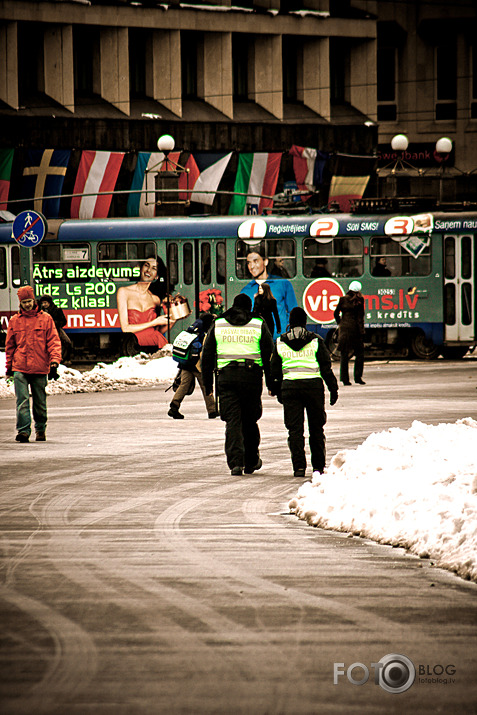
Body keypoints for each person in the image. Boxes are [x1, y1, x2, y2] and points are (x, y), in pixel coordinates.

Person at [202, 293, 274, 476]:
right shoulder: (258, 323)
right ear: (249, 307)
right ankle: (251, 461)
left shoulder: (219, 323)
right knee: (250, 420)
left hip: (226, 379)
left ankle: (236, 463)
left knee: (233, 421)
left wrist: (207, 384)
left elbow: (207, 355)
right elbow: (269, 355)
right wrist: (272, 382)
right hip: (252, 378)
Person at [270, 307, 338, 478]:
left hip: (290, 389)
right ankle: (318, 468)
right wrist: (333, 388)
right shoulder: (316, 341)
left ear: (290, 323)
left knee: (294, 431)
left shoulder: (280, 342)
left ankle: (299, 468)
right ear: (305, 322)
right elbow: (325, 368)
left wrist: (277, 390)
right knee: (316, 429)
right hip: (313, 388)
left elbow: (275, 371)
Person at [5, 285, 62, 443]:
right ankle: (23, 431)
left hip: (39, 367)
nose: (27, 304)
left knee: (39, 402)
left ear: (34, 300)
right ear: (20, 303)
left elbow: (53, 342)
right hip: (20, 367)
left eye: (29, 301)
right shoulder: (15, 321)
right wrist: (9, 368)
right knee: (22, 401)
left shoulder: (46, 319)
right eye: (24, 302)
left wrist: (55, 362)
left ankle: (40, 428)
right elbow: (10, 347)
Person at [168, 312, 218, 420]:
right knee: (206, 386)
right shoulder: (203, 333)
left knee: (184, 385)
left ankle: (174, 406)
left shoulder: (191, 329)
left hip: (185, 363)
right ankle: (212, 411)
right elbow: (203, 351)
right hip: (196, 364)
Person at [116, 257, 174, 350]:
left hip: (156, 343)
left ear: (156, 276)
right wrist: (153, 322)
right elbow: (125, 328)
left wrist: (173, 320)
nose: (149, 270)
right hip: (133, 345)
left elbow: (158, 331)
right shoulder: (123, 292)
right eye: (147, 265)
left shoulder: (155, 299)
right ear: (141, 268)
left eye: (154, 268)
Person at [240, 247, 297, 340]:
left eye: (255, 261)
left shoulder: (283, 284)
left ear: (265, 261)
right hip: (256, 341)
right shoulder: (245, 291)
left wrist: (286, 333)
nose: (252, 266)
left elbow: (293, 311)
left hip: (280, 341)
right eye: (248, 263)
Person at [333, 280, 366, 386]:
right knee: (360, 354)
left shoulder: (342, 299)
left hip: (345, 329)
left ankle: (345, 379)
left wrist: (340, 323)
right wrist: (362, 331)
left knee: (344, 354)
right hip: (355, 330)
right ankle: (358, 377)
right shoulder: (360, 300)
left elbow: (335, 313)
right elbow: (360, 318)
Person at [39, 294, 73, 363]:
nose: (44, 304)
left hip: (56, 329)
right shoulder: (40, 312)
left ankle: (64, 359)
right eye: (43, 303)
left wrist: (54, 324)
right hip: (44, 330)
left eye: (45, 303)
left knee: (67, 342)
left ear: (49, 302)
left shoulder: (57, 310)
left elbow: (63, 321)